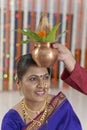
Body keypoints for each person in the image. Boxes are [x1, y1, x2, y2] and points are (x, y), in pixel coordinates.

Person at [1, 54, 82, 130]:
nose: (41, 85)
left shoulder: (61, 107)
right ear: (18, 83)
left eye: (45, 77)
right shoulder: (12, 120)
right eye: (33, 79)